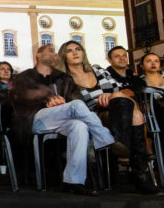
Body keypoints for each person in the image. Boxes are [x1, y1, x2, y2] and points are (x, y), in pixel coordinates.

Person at [10, 44, 118, 196]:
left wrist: (64, 104)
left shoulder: (64, 78)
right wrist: (46, 100)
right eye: (48, 52)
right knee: (77, 106)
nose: (53, 54)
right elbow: (19, 97)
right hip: (33, 118)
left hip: (60, 117)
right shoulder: (25, 77)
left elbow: (77, 99)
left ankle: (73, 181)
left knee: (80, 126)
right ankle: (105, 139)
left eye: (54, 52)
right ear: (38, 56)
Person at [57, 40, 161, 194]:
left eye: (78, 49)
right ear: (63, 57)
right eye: (69, 50)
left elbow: (124, 91)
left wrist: (111, 96)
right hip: (92, 117)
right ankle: (139, 174)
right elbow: (72, 106)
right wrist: (102, 101)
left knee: (131, 109)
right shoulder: (64, 80)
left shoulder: (100, 72)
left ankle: (121, 144)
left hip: (118, 111)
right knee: (136, 114)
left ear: (83, 53)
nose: (75, 52)